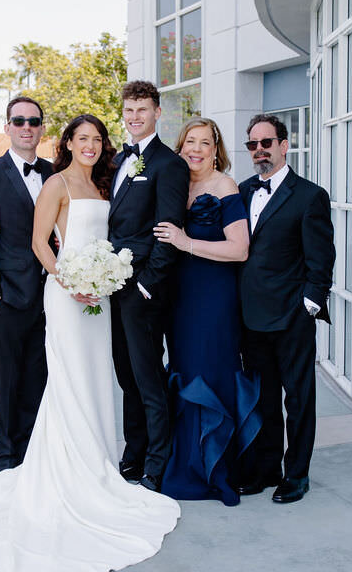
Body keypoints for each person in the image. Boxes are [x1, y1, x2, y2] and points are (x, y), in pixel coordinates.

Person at [0, 115, 180, 572]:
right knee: (69, 379)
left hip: (102, 295)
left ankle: (98, 464)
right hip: (68, 293)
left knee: (98, 380)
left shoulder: (107, 184)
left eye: (97, 139)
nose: (91, 145)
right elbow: (39, 242)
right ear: (69, 143)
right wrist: (70, 280)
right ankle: (69, 473)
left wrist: (104, 277)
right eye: (83, 139)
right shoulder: (56, 183)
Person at [152, 117, 259, 506]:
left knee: (210, 371)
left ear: (217, 151)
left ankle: (214, 468)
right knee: (184, 370)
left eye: (205, 143)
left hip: (214, 298)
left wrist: (185, 242)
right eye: (189, 142)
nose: (196, 149)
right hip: (179, 298)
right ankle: (185, 463)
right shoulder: (177, 184)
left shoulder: (224, 186)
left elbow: (239, 248)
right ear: (180, 147)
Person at [236, 114, 335, 504]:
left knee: (298, 399)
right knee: (263, 399)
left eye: (266, 143)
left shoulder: (310, 195)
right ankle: (266, 469)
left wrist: (309, 305)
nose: (259, 150)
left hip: (292, 316)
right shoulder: (242, 191)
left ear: (284, 145)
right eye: (253, 144)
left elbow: (321, 259)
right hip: (251, 316)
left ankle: (297, 475)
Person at [108, 80, 190, 492]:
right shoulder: (120, 160)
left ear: (158, 112)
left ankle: (158, 464)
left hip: (142, 289)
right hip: (114, 286)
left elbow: (168, 229)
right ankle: (133, 454)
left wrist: (147, 284)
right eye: (129, 111)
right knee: (126, 376)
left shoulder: (168, 164)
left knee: (148, 378)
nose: (135, 117)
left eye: (142, 110)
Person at [0, 96, 53, 473]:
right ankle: (4, 459)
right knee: (6, 380)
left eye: (33, 121)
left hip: (52, 295)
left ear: (41, 128)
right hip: (8, 296)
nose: (26, 127)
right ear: (7, 127)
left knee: (39, 377)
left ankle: (31, 454)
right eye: (18, 121)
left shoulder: (54, 173)